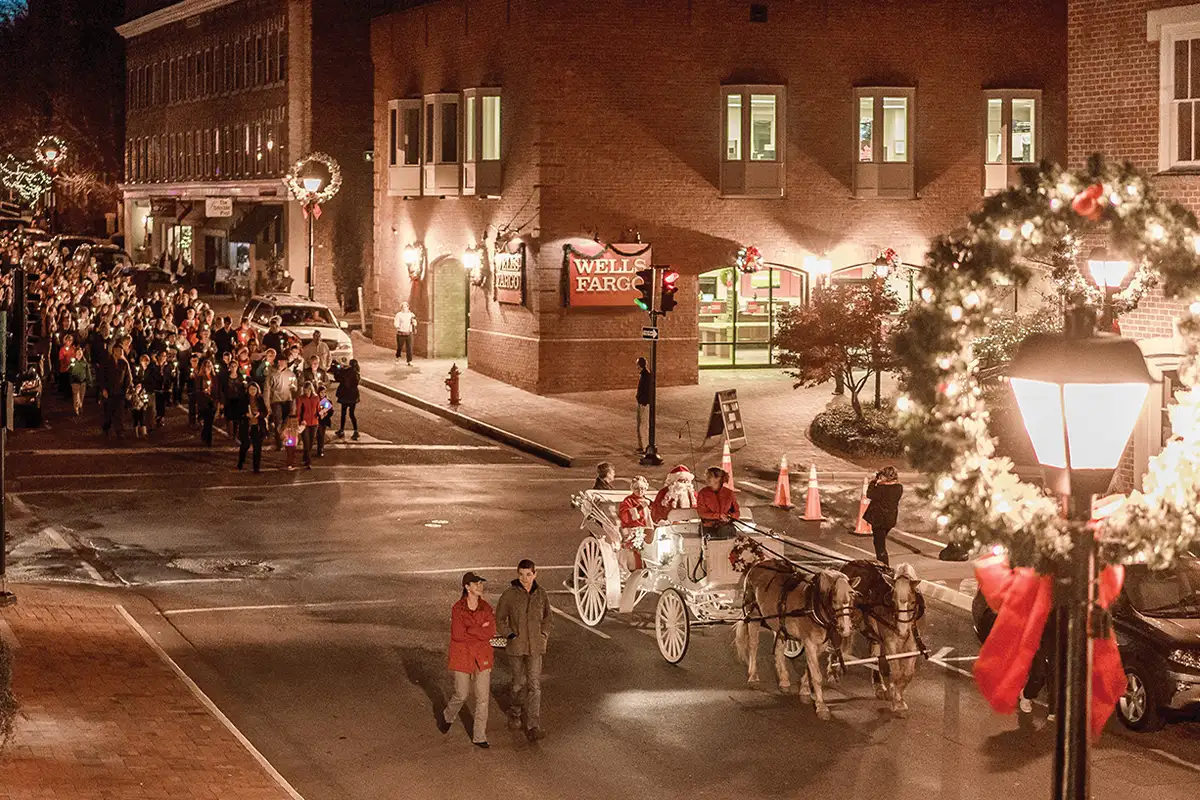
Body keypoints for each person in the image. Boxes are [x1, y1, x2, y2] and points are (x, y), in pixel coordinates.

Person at [495, 560, 550, 742]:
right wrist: (510, 635)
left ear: (535, 574)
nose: (525, 578)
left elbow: (547, 618)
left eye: (528, 574)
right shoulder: (510, 595)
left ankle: (533, 726)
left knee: (535, 685)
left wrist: (543, 635)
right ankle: (515, 712)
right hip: (517, 648)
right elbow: (500, 618)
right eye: (521, 574)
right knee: (518, 683)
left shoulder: (541, 594)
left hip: (535, 648)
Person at [441, 572, 496, 748]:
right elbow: (457, 635)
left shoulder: (486, 607)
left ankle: (479, 736)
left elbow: (491, 631)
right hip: (463, 656)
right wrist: (480, 629)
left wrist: (471, 630)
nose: (480, 586)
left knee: (482, 698)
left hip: (482, 656)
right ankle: (448, 715)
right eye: (476, 584)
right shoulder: (457, 608)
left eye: (481, 583)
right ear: (467, 587)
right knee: (461, 694)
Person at [864, 466, 904, 566]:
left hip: (879, 520)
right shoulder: (899, 488)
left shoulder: (882, 489)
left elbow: (869, 494)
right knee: (880, 542)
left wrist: (874, 482)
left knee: (880, 545)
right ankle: (882, 563)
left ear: (886, 477)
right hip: (890, 520)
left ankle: (884, 566)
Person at [617, 476, 654, 571]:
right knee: (638, 551)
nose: (640, 491)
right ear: (632, 489)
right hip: (634, 529)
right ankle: (638, 571)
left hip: (649, 529)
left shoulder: (648, 500)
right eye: (637, 488)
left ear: (646, 489)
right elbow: (625, 517)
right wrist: (639, 508)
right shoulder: (628, 501)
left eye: (642, 488)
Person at [696, 466, 739, 538]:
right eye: (706, 477)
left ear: (718, 479)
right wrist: (719, 515)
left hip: (725, 526)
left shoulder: (729, 493)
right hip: (708, 527)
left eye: (709, 477)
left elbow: (736, 512)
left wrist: (730, 516)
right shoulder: (703, 493)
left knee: (725, 531)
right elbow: (701, 513)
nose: (707, 479)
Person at [236, 382, 268, 473]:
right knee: (245, 445)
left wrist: (259, 414)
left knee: (257, 447)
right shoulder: (244, 399)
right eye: (251, 389)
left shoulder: (260, 399)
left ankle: (256, 467)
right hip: (247, 425)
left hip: (257, 426)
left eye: (254, 389)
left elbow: (265, 412)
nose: (252, 391)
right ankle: (241, 462)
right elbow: (238, 412)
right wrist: (246, 415)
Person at [266, 357, 296, 449]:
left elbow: (295, 389)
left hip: (288, 400)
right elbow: (267, 390)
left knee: (288, 421)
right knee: (278, 421)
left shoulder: (291, 374)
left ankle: (287, 439)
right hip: (276, 400)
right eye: (280, 361)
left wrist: (294, 388)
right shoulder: (272, 374)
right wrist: (267, 405)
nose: (282, 363)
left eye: (284, 361)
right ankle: (279, 441)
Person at [295, 380, 320, 468]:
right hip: (304, 423)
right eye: (305, 390)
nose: (307, 392)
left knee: (311, 442)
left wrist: (321, 413)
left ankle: (305, 457)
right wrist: (300, 420)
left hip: (314, 422)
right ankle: (308, 462)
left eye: (308, 390)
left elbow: (318, 409)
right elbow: (298, 411)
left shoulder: (316, 398)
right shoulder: (301, 398)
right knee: (306, 442)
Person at [335, 358, 360, 440]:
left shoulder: (347, 372)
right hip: (353, 396)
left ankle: (341, 430)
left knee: (343, 414)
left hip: (345, 396)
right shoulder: (357, 373)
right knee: (352, 414)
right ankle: (356, 431)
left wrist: (339, 368)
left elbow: (339, 376)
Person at [67, 345, 91, 416]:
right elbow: (69, 371)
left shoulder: (84, 363)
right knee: (76, 396)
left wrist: (89, 381)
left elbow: (88, 372)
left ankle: (80, 406)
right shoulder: (73, 362)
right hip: (75, 382)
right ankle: (76, 408)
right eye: (77, 354)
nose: (79, 355)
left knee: (81, 396)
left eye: (80, 354)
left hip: (83, 382)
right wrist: (71, 365)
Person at [635, 356, 651, 454]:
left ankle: (645, 447)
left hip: (644, 403)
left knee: (643, 426)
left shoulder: (646, 376)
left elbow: (646, 391)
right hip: (641, 402)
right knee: (640, 425)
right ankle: (642, 445)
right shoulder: (644, 374)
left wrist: (642, 400)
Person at [315, 385, 334, 457]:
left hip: (324, 421)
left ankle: (320, 449)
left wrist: (326, 414)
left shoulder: (328, 401)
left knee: (321, 434)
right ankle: (319, 448)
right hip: (317, 420)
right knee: (318, 434)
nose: (323, 394)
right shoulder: (316, 401)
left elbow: (331, 411)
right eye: (321, 392)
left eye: (324, 392)